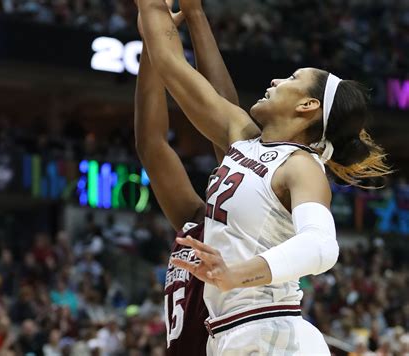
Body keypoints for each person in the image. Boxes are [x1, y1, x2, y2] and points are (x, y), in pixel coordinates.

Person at [137, 0, 392, 354]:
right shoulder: (244, 142)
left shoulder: (301, 165)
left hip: (274, 333)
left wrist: (234, 275)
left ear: (307, 106)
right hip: (229, 335)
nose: (276, 80)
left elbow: (321, 246)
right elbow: (169, 62)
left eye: (292, 79)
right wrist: (174, 11)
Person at [134, 0, 240, 354]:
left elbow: (227, 122)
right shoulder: (193, 220)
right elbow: (150, 145)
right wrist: (153, 41)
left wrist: (195, 16)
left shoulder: (242, 224)